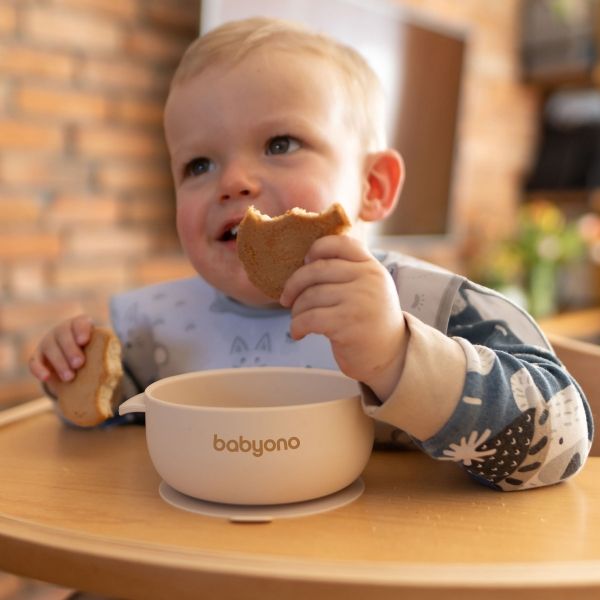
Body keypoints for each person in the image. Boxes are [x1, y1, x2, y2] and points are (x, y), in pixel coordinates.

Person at [29, 17, 593, 491]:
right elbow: (114, 433)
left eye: (280, 144)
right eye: (198, 164)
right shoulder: (156, 330)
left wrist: (397, 356)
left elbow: (564, 440)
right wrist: (75, 378)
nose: (233, 180)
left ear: (373, 186)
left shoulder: (435, 307)